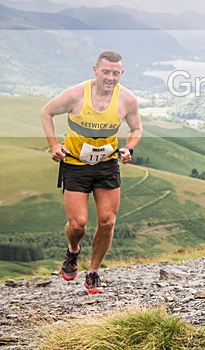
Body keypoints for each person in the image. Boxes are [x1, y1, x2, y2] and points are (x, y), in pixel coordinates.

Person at [40, 51, 142, 294]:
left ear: (122, 73)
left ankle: (94, 273)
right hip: (76, 163)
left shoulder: (127, 99)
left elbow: (137, 128)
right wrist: (55, 145)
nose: (110, 77)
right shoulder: (76, 94)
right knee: (78, 224)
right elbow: (46, 112)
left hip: (107, 164)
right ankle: (73, 250)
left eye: (115, 73)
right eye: (106, 71)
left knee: (107, 222)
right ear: (95, 70)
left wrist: (128, 149)